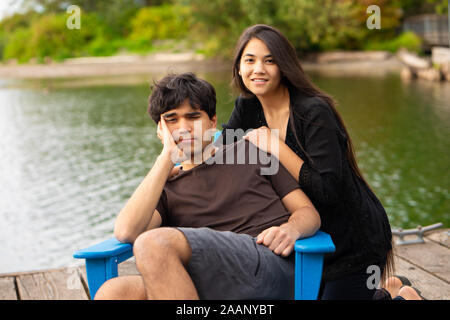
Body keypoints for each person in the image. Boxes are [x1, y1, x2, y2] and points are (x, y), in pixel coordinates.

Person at [94, 72, 321, 300]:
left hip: (263, 262)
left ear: (212, 122)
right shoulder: (163, 185)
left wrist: (291, 230)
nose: (183, 128)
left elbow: (307, 212)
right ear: (160, 131)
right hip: (203, 280)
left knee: (153, 242)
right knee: (113, 293)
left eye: (193, 117)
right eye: (171, 120)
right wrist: (165, 159)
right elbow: (126, 232)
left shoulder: (250, 152)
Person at [221, 24, 394, 300]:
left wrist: (274, 145)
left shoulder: (313, 112)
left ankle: (399, 297)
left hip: (352, 241)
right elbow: (221, 155)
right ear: (239, 68)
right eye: (249, 60)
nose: (258, 69)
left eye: (270, 61)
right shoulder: (247, 108)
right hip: (306, 239)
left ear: (284, 66)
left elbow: (327, 190)